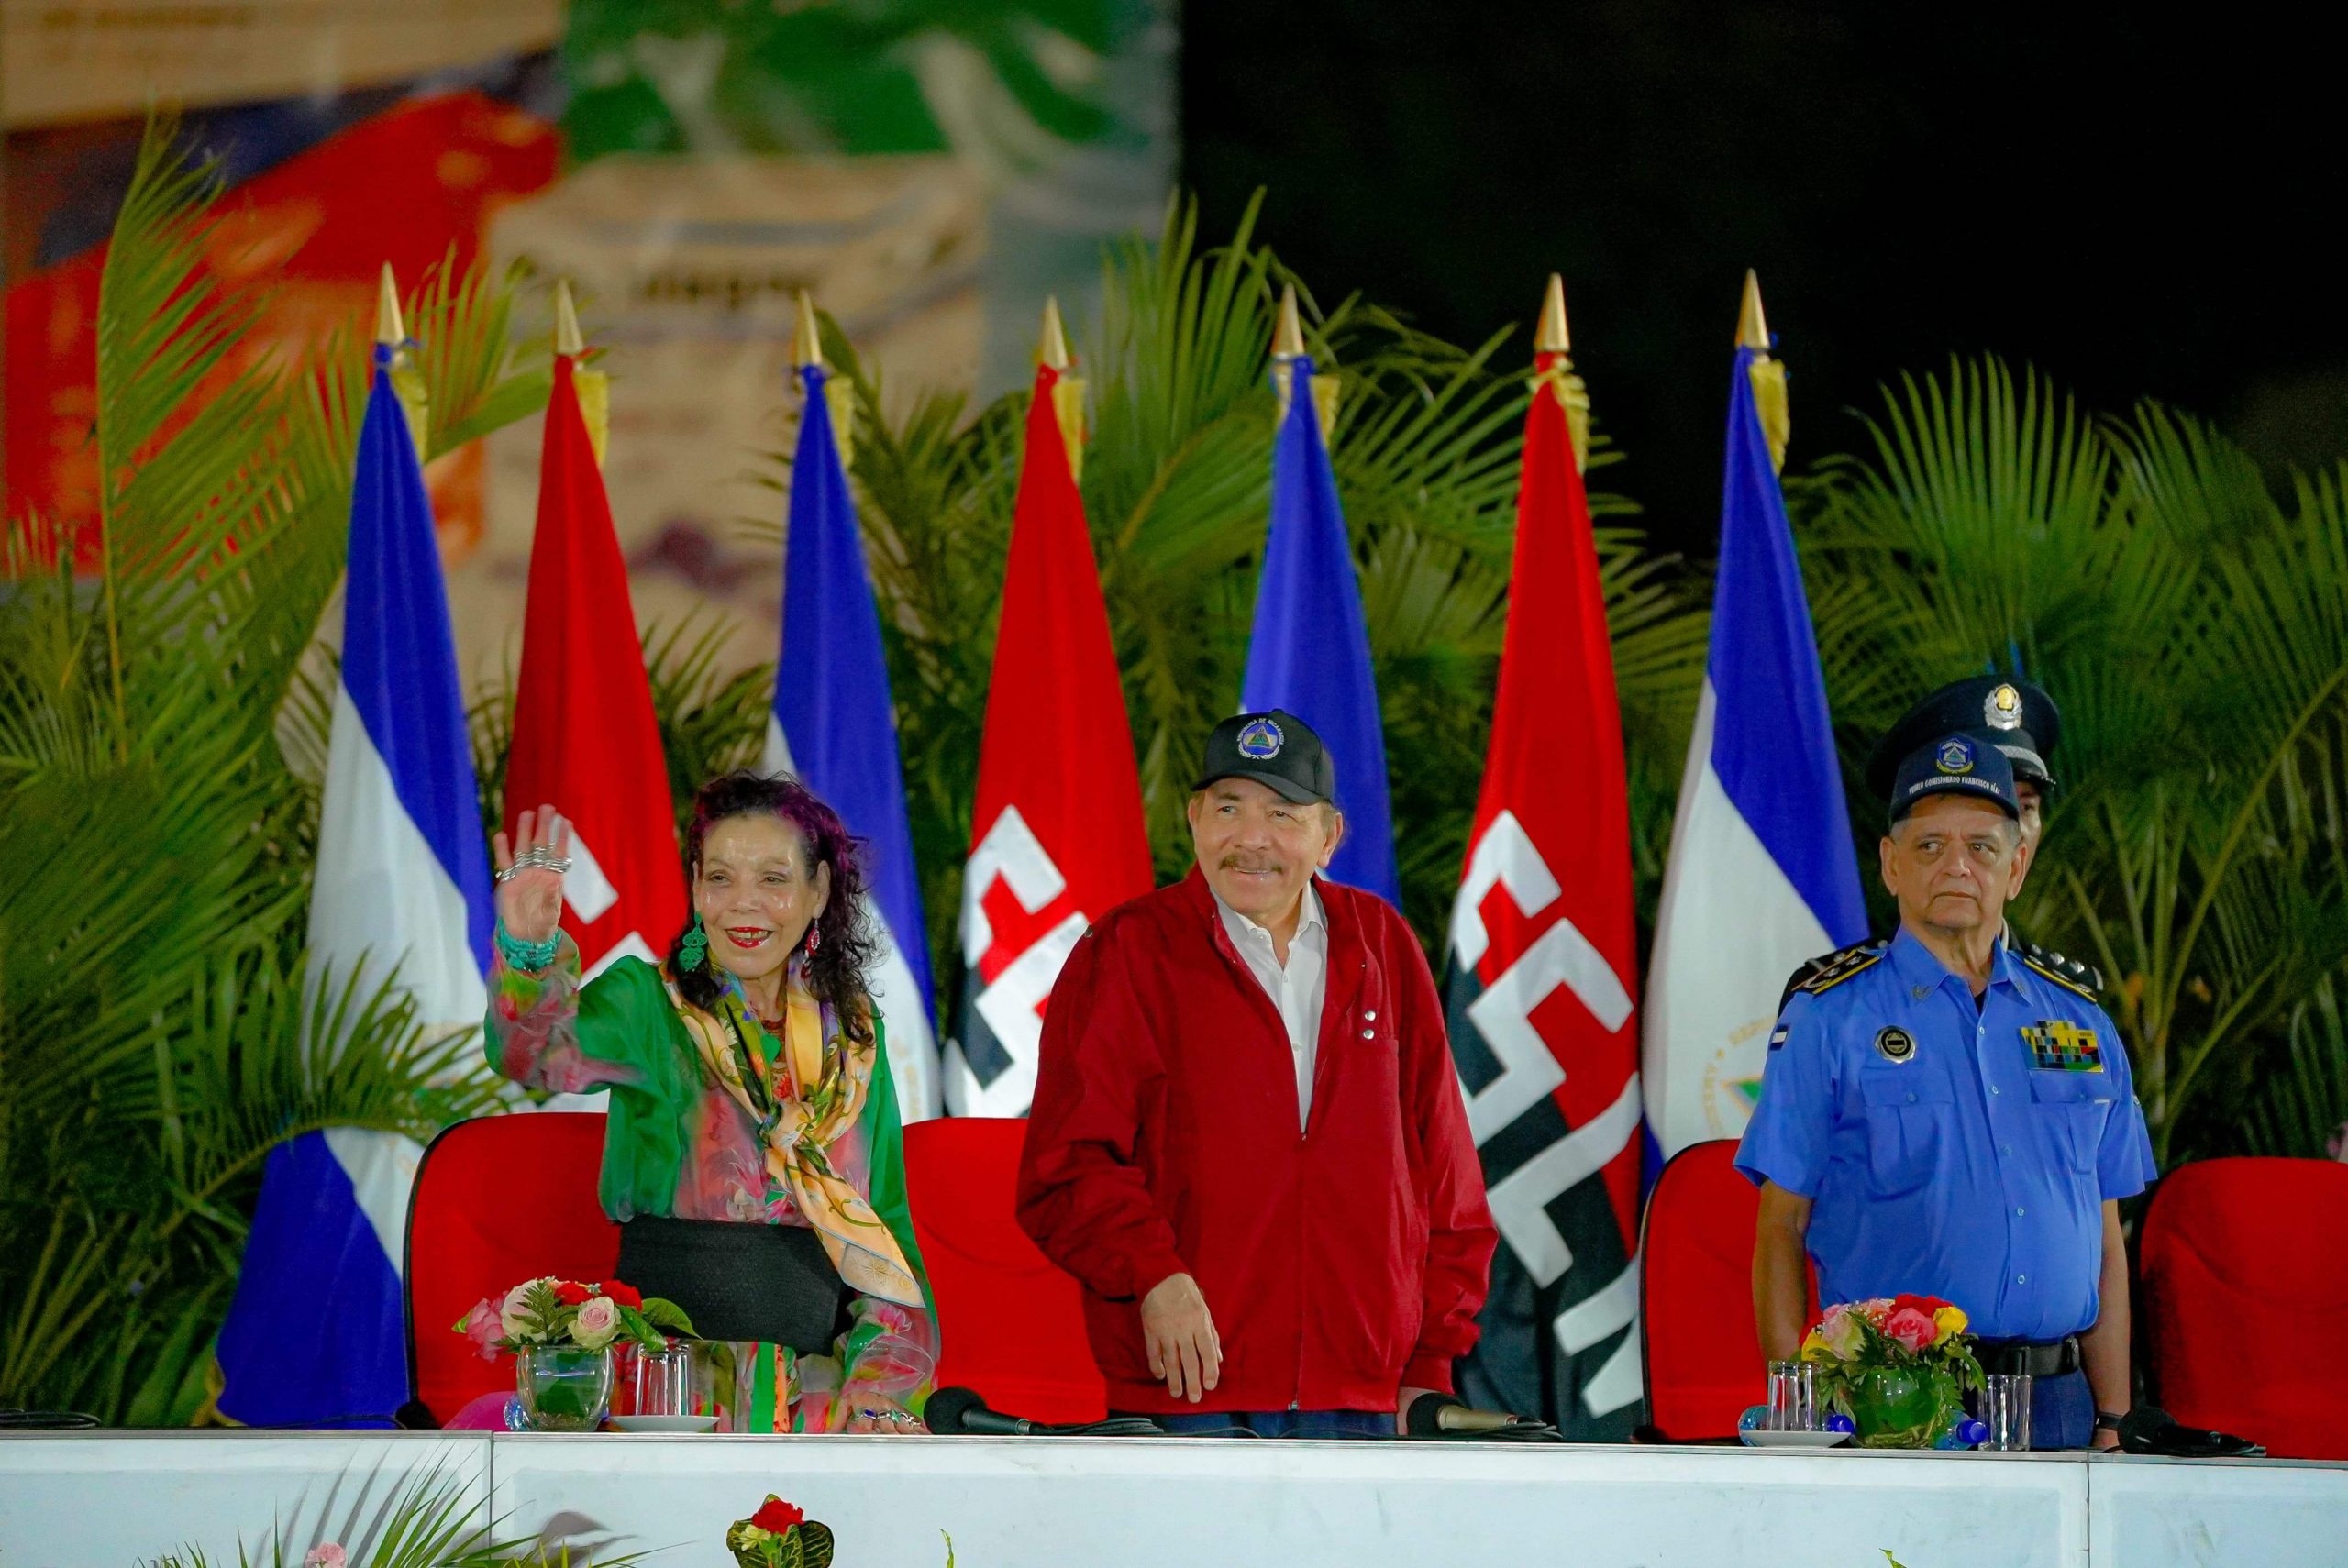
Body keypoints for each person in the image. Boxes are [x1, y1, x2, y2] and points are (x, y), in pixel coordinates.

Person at [1017, 710, 1496, 1437]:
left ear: (1329, 835)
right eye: (1229, 808)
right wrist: (1154, 1277)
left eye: (1282, 813)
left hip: (1364, 1394)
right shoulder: (1126, 951)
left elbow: (1445, 1173)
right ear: (1194, 818)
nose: (1251, 839)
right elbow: (1068, 1163)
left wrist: (1429, 1363)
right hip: (1185, 1388)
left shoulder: (1384, 946)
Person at [1737, 733, 2157, 1450]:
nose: (1957, 866)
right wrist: (1799, 1416)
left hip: (2059, 1405)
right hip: (1894, 1404)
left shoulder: (2080, 1021)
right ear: (1889, 865)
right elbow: (1780, 1229)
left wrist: (2114, 1418)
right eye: (1929, 846)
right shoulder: (1830, 1017)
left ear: (2017, 866)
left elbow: (2103, 1236)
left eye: (1982, 848)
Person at [487, 771, 937, 1434]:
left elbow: (885, 1232)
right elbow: (531, 1053)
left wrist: (879, 1390)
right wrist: (528, 952)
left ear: (818, 893)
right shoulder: (650, 1002)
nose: (742, 904)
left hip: (817, 1403)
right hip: (664, 1392)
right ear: (696, 889)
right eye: (720, 878)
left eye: (774, 880)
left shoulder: (855, 1038)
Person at [1778, 676, 2102, 1012]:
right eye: (1981, 807)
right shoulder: (1833, 1005)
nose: (2007, 830)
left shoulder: (2072, 1005)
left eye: (2024, 808)